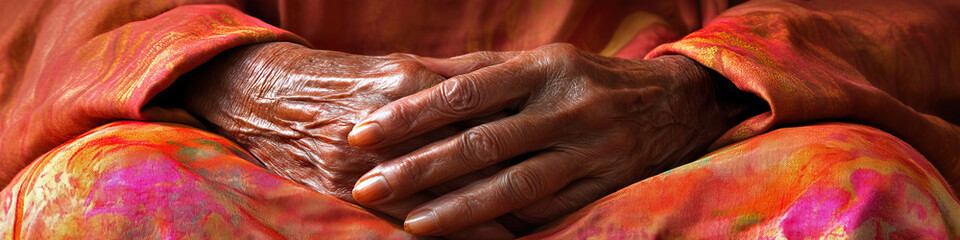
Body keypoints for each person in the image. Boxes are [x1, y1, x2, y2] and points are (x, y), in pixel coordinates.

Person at [0, 0, 958, 238]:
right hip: (273, 182)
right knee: (113, 201)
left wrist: (700, 87)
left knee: (854, 191)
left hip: (669, 174)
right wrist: (237, 76)